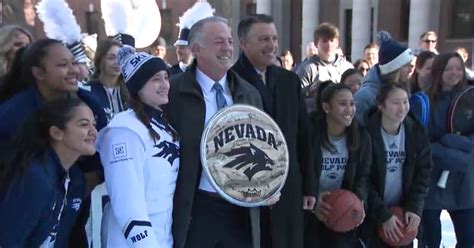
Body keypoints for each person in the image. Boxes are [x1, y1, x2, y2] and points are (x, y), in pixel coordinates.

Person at [166, 16, 265, 248]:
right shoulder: (173, 93)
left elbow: (263, 147)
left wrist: (266, 184)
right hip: (196, 207)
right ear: (196, 48)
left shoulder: (249, 94)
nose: (228, 48)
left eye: (230, 42)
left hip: (241, 210)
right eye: (219, 41)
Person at [232, 14, 316, 248]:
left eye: (274, 38)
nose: (272, 45)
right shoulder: (231, 81)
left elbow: (303, 136)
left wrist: (309, 186)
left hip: (289, 185)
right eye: (263, 39)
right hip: (249, 186)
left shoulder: (290, 80)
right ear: (244, 43)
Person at [97, 46, 179, 247]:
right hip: (131, 238)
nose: (165, 85)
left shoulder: (163, 125)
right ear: (138, 86)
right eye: (155, 79)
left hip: (163, 230)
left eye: (165, 77)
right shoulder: (124, 131)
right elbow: (127, 202)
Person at [0, 98, 97, 247]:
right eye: (84, 124)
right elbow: (9, 240)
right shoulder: (36, 177)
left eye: (94, 124)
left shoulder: (71, 177)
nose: (93, 132)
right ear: (57, 133)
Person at [414, 53, 474, 248]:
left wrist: (461, 149)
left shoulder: (470, 98)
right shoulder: (423, 101)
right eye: (449, 68)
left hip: (464, 182)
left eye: (458, 68)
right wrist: (444, 152)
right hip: (431, 182)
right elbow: (419, 143)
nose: (454, 73)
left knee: (468, 239)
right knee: (430, 240)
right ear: (439, 71)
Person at [361, 83, 432, 247]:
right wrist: (383, 214)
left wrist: (414, 207)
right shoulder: (366, 134)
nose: (402, 108)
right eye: (395, 103)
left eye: (405, 101)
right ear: (381, 105)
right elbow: (362, 178)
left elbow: (423, 174)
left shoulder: (416, 131)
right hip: (373, 215)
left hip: (404, 212)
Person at [305, 82, 371, 248]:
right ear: (326, 107)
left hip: (341, 209)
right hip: (310, 210)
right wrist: (312, 197)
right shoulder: (309, 132)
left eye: (352, 103)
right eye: (342, 104)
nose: (349, 109)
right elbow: (298, 171)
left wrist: (359, 201)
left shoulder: (361, 136)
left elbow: (363, 175)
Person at [0, 39, 106, 141]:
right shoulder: (12, 115)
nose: (74, 70)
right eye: (63, 65)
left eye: (74, 63)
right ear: (38, 73)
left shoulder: (89, 101)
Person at [354, 31, 414, 126]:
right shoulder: (366, 97)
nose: (411, 69)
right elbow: (356, 131)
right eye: (406, 65)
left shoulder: (404, 88)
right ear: (395, 69)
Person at [295, 22, 353, 97]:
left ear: (337, 43)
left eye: (332, 40)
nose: (329, 45)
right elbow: (299, 97)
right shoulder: (307, 69)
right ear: (316, 43)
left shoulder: (347, 67)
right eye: (325, 41)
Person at [85, 39, 128, 121]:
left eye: (120, 58)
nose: (117, 62)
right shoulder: (88, 91)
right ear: (100, 60)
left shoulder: (130, 90)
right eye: (111, 58)